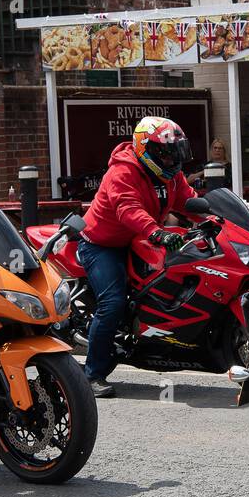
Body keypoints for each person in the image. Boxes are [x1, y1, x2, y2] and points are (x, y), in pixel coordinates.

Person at [79, 116, 196, 398]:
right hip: (102, 244)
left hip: (138, 239)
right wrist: (157, 232)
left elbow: (189, 201)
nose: (171, 160)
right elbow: (127, 209)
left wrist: (222, 217)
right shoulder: (122, 172)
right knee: (113, 302)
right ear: (148, 150)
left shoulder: (170, 175)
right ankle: (92, 375)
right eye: (166, 154)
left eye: (175, 153)